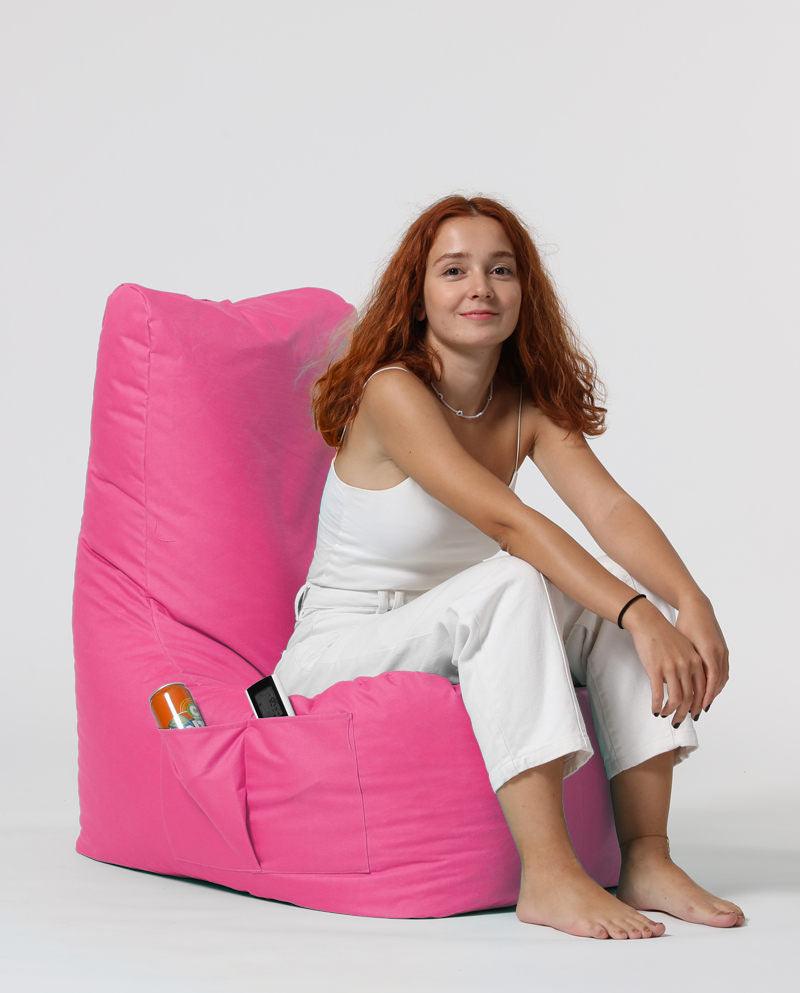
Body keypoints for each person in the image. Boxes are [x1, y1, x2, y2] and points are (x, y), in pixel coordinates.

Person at [273, 194, 745, 939]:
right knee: (527, 579)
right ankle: (549, 873)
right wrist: (639, 612)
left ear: (525, 289)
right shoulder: (393, 391)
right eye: (453, 270)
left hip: (469, 624)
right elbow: (509, 524)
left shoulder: (522, 403)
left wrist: (689, 601)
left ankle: (648, 855)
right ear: (418, 296)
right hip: (345, 643)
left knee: (606, 610)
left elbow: (609, 509)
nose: (480, 289)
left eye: (500, 270)